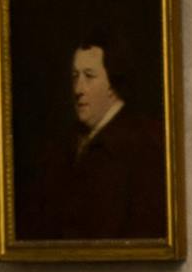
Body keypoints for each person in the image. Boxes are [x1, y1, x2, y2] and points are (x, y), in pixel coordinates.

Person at [18, 30, 168, 241]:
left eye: (89, 76)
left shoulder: (142, 144)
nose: (78, 89)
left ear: (113, 84)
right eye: (74, 76)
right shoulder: (65, 145)